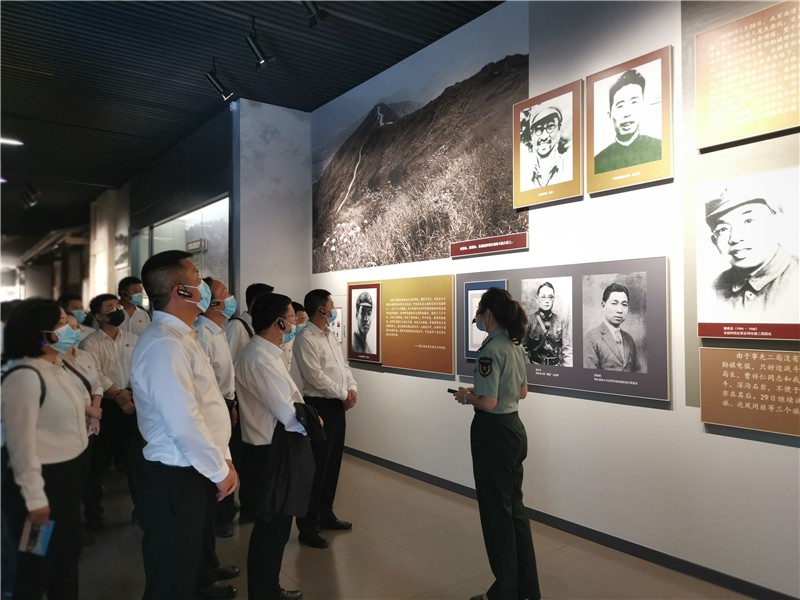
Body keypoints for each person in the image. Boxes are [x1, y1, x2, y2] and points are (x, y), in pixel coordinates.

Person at [130, 250, 238, 600]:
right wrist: (218, 470)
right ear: (181, 291)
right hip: (176, 475)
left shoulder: (183, 337)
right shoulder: (164, 345)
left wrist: (222, 459)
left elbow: (206, 407)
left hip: (197, 467)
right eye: (196, 279)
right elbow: (183, 421)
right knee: (172, 573)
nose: (203, 286)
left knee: (190, 559)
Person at [451, 288, 540, 600]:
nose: (477, 317)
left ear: (488, 313)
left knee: (496, 516)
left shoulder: (489, 350)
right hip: (514, 428)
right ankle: (525, 588)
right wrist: (481, 393)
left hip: (493, 433)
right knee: (515, 512)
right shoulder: (515, 346)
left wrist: (467, 396)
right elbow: (522, 392)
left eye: (479, 311)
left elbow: (487, 402)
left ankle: (504, 592)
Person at [1, 298, 91, 599]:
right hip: (41, 487)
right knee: (35, 561)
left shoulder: (57, 367)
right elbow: (20, 446)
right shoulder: (24, 377)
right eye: (62, 323)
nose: (72, 328)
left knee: (65, 555)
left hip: (66, 482)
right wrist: (35, 500)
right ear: (40, 333)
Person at [236, 293, 314, 600]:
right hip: (269, 451)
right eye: (293, 318)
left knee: (276, 530)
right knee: (271, 531)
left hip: (273, 448)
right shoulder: (259, 357)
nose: (296, 323)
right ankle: (264, 592)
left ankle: (269, 588)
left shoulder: (268, 353)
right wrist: (312, 422)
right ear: (279, 322)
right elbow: (287, 412)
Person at [293, 289, 357, 549]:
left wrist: (352, 388)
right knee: (316, 466)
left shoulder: (330, 336)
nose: (333, 310)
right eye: (330, 305)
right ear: (321, 309)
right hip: (319, 406)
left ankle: (325, 513)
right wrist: (343, 394)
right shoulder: (305, 338)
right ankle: (307, 526)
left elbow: (343, 367)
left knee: (332, 464)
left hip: (337, 405)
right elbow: (315, 376)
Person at [80, 293, 140, 530]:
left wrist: (129, 393)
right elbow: (95, 374)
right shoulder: (90, 343)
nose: (117, 310)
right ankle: (94, 515)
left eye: (117, 306)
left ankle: (141, 509)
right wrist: (117, 395)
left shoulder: (133, 339)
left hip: (133, 402)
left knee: (136, 460)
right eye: (110, 307)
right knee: (98, 463)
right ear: (99, 317)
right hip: (106, 406)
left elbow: (139, 367)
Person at [195, 277, 242, 538]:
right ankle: (220, 517)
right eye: (225, 292)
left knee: (229, 456)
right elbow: (206, 384)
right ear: (212, 303)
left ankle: (224, 512)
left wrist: (231, 405)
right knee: (220, 458)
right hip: (212, 405)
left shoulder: (219, 332)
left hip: (225, 402)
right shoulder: (203, 335)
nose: (230, 296)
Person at [704, 190, 799, 318]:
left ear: (776, 224)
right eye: (722, 229)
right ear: (714, 241)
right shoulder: (715, 288)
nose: (735, 238)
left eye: (749, 221)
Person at [594, 69, 661, 174]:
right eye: (620, 105)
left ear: (643, 106)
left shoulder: (659, 148)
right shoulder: (598, 162)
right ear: (609, 115)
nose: (627, 113)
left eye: (634, 102)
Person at [583, 283, 641, 372]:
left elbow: (638, 372)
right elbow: (590, 376)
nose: (619, 310)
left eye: (624, 304)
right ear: (603, 306)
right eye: (614, 303)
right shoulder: (591, 338)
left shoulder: (629, 339)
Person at [524, 282, 572, 367]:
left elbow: (567, 350)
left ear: (553, 299)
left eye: (550, 297)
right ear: (537, 298)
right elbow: (522, 350)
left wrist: (566, 370)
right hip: (535, 367)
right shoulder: (529, 321)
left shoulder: (560, 321)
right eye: (543, 297)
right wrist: (529, 368)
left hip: (556, 367)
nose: (547, 301)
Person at [524, 107, 572, 188]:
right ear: (532, 134)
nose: (544, 136)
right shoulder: (524, 174)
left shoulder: (570, 167)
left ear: (559, 129)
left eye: (550, 127)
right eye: (538, 129)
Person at [226, 282, 274, 364]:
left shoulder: (261, 327)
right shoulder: (236, 326)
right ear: (255, 302)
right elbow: (227, 361)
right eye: (269, 303)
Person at [282, 301, 308, 372]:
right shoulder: (283, 339)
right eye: (298, 320)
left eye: (303, 319)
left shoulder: (303, 338)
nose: (301, 324)